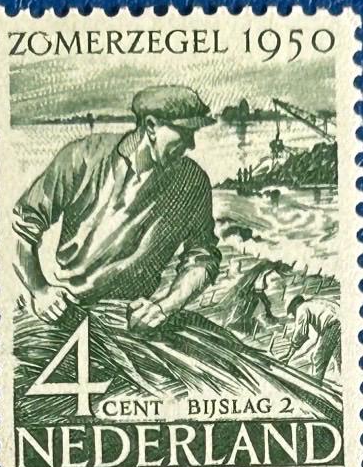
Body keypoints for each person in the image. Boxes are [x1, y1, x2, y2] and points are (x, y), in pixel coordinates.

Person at [13, 84, 221, 331]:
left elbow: (202, 257)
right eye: (185, 132)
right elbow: (21, 226)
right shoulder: (83, 157)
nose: (191, 144)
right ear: (151, 126)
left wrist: (165, 306)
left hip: (133, 319)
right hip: (68, 309)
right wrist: (39, 290)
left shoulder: (193, 181)